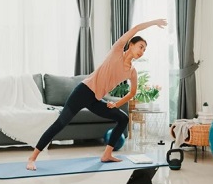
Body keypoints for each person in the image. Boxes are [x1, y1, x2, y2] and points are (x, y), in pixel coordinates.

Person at [26, 19, 167, 170]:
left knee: (123, 118)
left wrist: (116, 104)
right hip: (83, 91)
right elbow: (137, 28)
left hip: (95, 99)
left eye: (144, 50)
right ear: (131, 44)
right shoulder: (117, 50)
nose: (142, 51)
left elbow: (132, 92)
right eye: (140, 47)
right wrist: (154, 23)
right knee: (60, 123)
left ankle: (107, 154)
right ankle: (32, 158)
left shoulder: (132, 71)